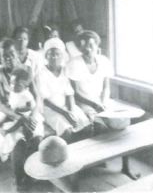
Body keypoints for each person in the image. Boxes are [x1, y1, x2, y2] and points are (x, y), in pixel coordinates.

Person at [66, 30, 140, 180]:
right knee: (99, 125)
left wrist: (104, 101)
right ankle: (94, 162)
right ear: (79, 48)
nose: (87, 49)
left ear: (97, 45)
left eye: (90, 45)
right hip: (84, 103)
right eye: (83, 46)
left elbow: (107, 87)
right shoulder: (74, 64)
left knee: (123, 123)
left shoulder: (104, 61)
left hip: (102, 101)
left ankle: (125, 166)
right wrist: (94, 104)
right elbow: (75, 93)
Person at [0, 39, 43, 190]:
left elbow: (37, 97)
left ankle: (32, 174)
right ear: (0, 59)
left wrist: (32, 117)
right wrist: (19, 118)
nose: (9, 58)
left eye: (11, 54)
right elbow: (1, 105)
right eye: (4, 56)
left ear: (17, 54)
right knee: (17, 141)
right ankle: (19, 179)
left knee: (36, 137)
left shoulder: (27, 69)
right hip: (7, 114)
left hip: (29, 111)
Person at [36, 37, 92, 143]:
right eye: (51, 54)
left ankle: (84, 155)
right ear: (46, 56)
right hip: (50, 109)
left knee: (87, 126)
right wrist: (65, 113)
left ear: (62, 56)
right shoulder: (41, 73)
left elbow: (69, 93)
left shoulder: (64, 70)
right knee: (67, 131)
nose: (54, 57)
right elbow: (45, 101)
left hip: (66, 106)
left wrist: (71, 110)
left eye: (58, 54)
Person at [0, 67, 44, 141]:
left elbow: (31, 106)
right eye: (11, 83)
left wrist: (20, 109)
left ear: (25, 86)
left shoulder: (26, 95)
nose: (12, 87)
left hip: (25, 113)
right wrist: (11, 108)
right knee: (5, 117)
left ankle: (7, 131)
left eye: (17, 85)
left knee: (20, 122)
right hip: (15, 111)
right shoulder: (13, 92)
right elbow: (10, 102)